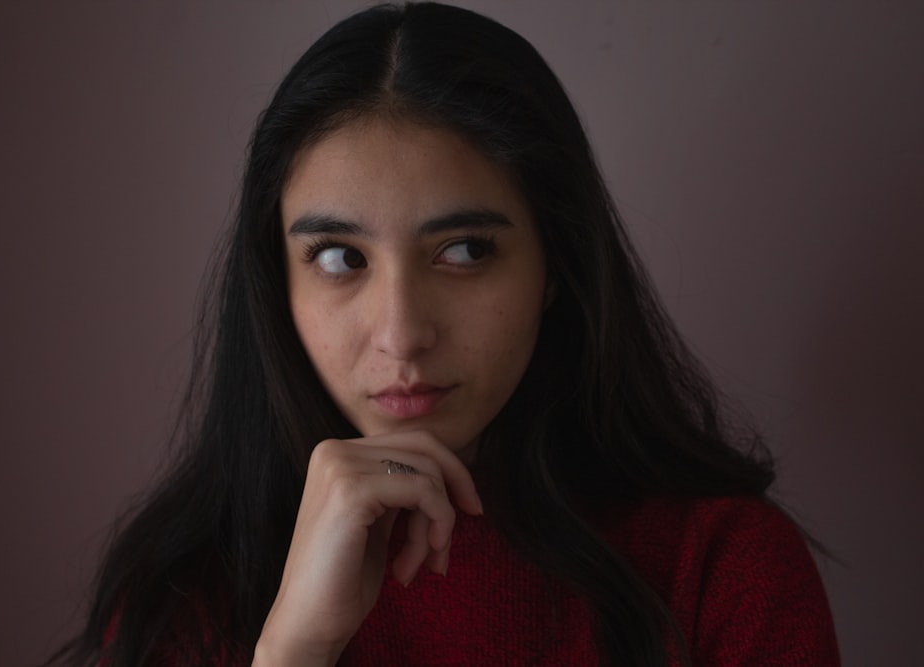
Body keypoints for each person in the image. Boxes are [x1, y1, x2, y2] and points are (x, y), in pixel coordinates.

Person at [49, 2, 839, 665]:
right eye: (337, 257)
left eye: (464, 251)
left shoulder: (723, 567)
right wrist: (292, 649)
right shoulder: (184, 594)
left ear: (555, 265)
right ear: (275, 282)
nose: (401, 333)